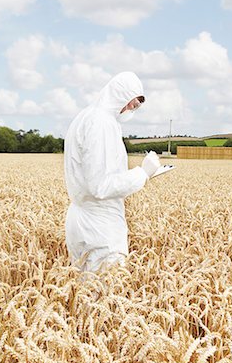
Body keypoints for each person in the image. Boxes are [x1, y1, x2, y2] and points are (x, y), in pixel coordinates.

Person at [64, 71, 161, 272]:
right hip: (100, 228)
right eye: (131, 104)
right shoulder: (102, 123)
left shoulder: (86, 117)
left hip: (83, 222)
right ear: (119, 96)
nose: (131, 110)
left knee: (84, 293)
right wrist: (142, 174)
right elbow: (101, 185)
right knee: (104, 293)